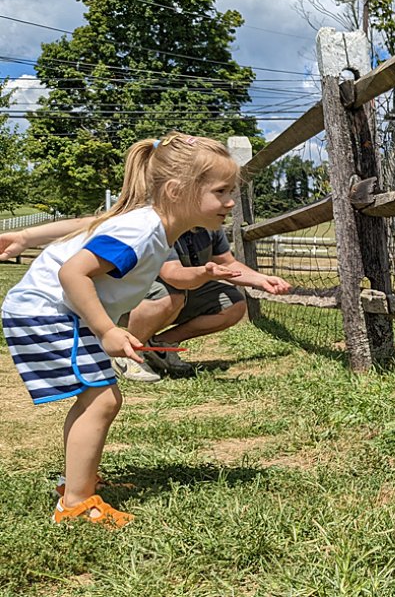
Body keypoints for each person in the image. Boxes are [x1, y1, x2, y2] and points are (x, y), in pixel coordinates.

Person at [1, 131, 240, 527]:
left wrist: (25, 236)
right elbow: (72, 272)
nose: (230, 202)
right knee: (102, 400)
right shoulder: (143, 231)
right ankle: (76, 502)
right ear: (179, 190)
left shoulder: (156, 225)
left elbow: (90, 224)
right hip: (46, 310)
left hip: (55, 309)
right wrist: (106, 329)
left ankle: (79, 481)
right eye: (221, 192)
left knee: (98, 399)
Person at [0, 226, 292, 383]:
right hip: (143, 292)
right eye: (219, 193)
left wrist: (259, 279)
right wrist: (204, 272)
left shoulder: (210, 226)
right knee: (172, 293)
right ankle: (127, 353)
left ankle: (160, 347)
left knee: (233, 303)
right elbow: (173, 274)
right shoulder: (161, 225)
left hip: (186, 285)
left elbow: (227, 262)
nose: (227, 203)